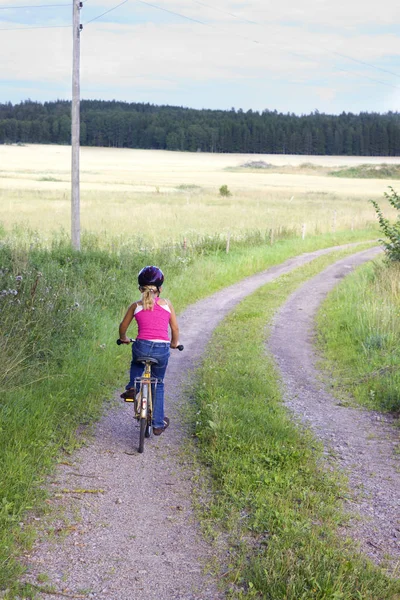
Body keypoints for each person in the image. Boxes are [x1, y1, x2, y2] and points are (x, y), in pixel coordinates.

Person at [118, 266, 180, 435]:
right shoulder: (167, 305)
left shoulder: (135, 306)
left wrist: (123, 337)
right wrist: (174, 343)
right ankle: (158, 424)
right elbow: (174, 329)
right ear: (160, 288)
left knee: (136, 361)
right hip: (161, 349)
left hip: (142, 345)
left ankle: (133, 386)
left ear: (140, 288)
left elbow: (123, 326)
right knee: (158, 383)